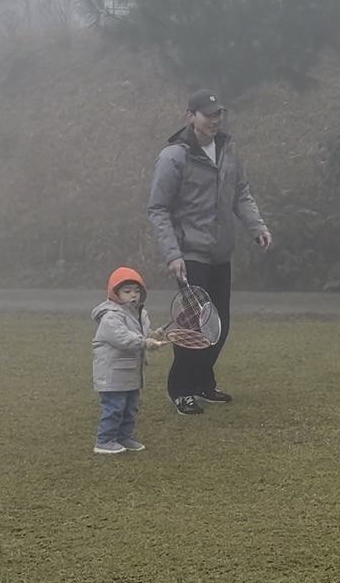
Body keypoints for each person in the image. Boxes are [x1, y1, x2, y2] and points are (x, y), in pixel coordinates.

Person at [147, 89, 271, 414]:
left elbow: (240, 192)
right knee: (193, 328)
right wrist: (173, 254)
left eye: (218, 114)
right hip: (190, 254)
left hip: (221, 253)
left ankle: (203, 382)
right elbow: (158, 209)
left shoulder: (228, 149)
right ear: (191, 116)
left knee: (220, 325)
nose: (215, 120)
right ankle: (181, 390)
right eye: (208, 114)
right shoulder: (174, 156)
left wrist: (256, 227)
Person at [91, 266, 163, 455]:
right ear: (115, 293)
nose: (133, 295)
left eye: (137, 291)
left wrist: (153, 335)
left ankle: (124, 437)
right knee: (114, 408)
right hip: (112, 374)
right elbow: (123, 338)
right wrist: (144, 342)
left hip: (130, 374)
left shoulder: (139, 314)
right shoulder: (110, 316)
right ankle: (104, 440)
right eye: (127, 291)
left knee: (130, 408)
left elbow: (141, 334)